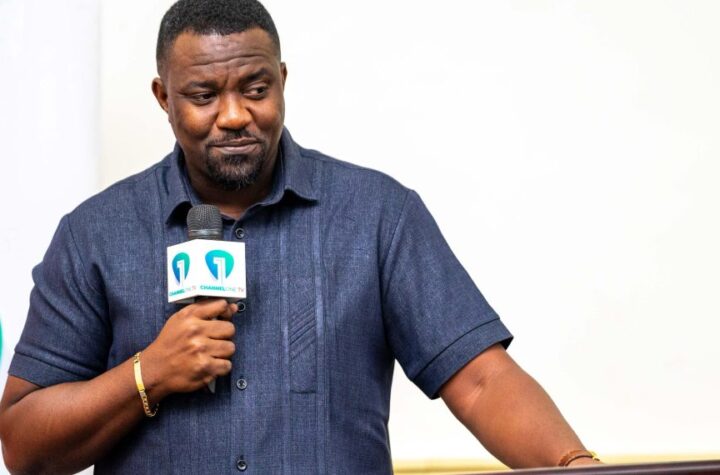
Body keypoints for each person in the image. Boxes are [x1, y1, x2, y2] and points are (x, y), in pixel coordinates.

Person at [0, 0, 601, 473]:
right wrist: (147, 373)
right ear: (163, 97)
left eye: (255, 89)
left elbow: (481, 381)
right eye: (204, 96)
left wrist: (574, 465)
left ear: (282, 81)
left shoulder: (377, 215)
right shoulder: (94, 235)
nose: (234, 115)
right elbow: (23, 444)